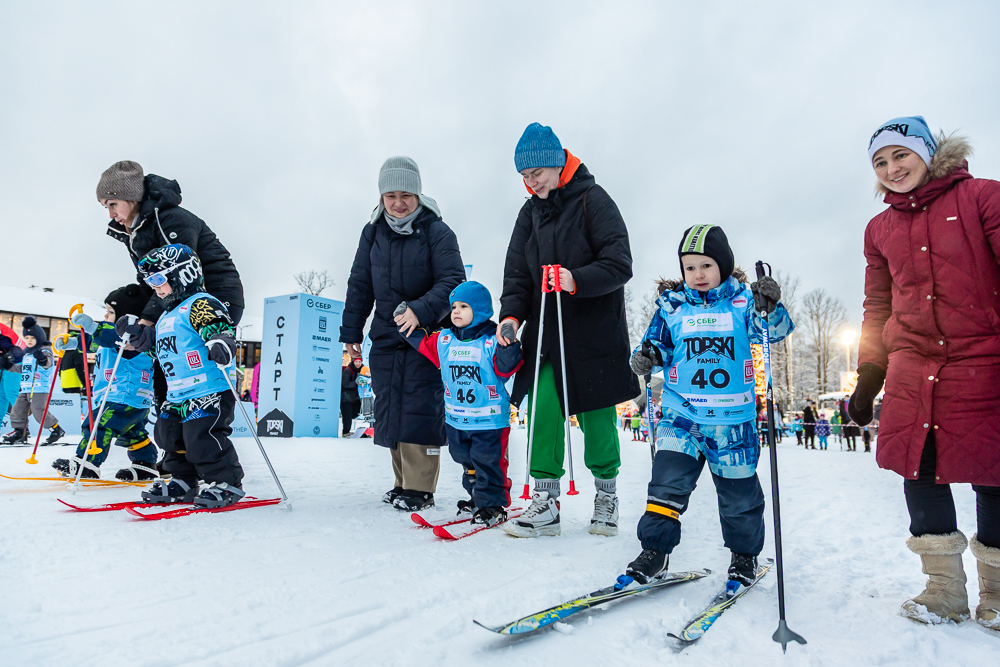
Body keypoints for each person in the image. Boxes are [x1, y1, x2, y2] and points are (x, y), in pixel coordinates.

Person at [849, 116, 1000, 629]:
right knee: (919, 470)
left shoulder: (983, 197)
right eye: (880, 162)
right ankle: (943, 589)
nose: (892, 168)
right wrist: (871, 370)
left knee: (994, 474)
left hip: (983, 358)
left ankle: (997, 591)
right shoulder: (880, 229)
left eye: (900, 155)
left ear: (928, 153)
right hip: (912, 365)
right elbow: (878, 303)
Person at [623, 225, 794, 590]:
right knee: (665, 486)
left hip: (732, 423)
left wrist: (770, 306)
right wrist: (647, 357)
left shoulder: (743, 302)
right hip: (681, 416)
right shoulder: (672, 305)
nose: (697, 275)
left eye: (706, 266)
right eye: (690, 268)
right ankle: (655, 550)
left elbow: (776, 332)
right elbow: (656, 346)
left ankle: (743, 556)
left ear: (724, 266)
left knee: (738, 497)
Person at [499, 123, 639, 538]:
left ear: (557, 162)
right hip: (545, 335)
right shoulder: (529, 213)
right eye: (524, 176)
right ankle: (545, 501)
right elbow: (517, 275)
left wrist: (575, 279)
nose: (531, 182)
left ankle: (606, 495)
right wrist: (511, 316)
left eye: (536, 173)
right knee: (542, 409)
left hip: (594, 333)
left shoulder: (593, 200)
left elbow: (619, 262)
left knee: (597, 417)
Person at [340, 157, 466, 512]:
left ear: (418, 194)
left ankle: (420, 487)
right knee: (392, 406)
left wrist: (420, 310)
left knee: (420, 406)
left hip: (426, 335)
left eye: (406, 194)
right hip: (385, 335)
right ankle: (401, 482)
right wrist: (351, 330)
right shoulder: (373, 232)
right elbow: (360, 283)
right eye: (390, 195)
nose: (398, 203)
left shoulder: (438, 232)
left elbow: (454, 282)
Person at [121, 244, 245, 508]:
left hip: (209, 387)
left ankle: (227, 481)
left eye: (158, 279)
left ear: (182, 274)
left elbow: (220, 326)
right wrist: (139, 339)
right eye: (149, 281)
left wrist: (220, 341)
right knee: (168, 435)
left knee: (202, 436)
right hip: (177, 391)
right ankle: (183, 481)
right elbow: (163, 348)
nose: (155, 287)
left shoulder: (200, 303)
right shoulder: (166, 315)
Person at [400, 281, 523, 527]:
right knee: (465, 460)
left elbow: (507, 368)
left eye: (463, 306)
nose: (455, 311)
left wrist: (509, 346)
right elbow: (424, 343)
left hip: (488, 421)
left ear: (480, 310)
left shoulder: (491, 341)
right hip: (456, 419)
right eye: (454, 306)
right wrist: (406, 326)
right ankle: (477, 497)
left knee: (487, 462)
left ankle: (492, 505)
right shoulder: (445, 340)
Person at [97, 161, 245, 326]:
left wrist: (147, 320)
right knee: (147, 342)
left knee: (185, 347)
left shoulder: (170, 220)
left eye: (113, 204)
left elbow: (176, 273)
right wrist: (125, 315)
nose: (111, 214)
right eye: (106, 207)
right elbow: (148, 284)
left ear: (132, 197)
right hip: (180, 300)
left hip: (215, 295)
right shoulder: (135, 233)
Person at [51, 285, 158, 481]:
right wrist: (73, 343)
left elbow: (111, 336)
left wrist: (93, 327)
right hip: (129, 398)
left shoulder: (132, 338)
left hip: (122, 395)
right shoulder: (110, 337)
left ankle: (87, 463)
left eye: (110, 312)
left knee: (97, 426)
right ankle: (145, 464)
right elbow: (97, 340)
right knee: (132, 433)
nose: (106, 316)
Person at [3, 317, 65, 444]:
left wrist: (42, 359)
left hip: (39, 388)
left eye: (32, 338)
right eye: (26, 338)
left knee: (38, 410)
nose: (29, 341)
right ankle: (20, 432)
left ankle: (56, 429)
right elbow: (23, 368)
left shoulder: (44, 350)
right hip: (26, 387)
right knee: (17, 409)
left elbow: (48, 364)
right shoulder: (26, 353)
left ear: (39, 337)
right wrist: (7, 366)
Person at [0, 323, 25, 424]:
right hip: (6, 360)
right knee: (1, 395)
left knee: (10, 392)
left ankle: (21, 427)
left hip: (15, 360)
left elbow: (17, 345)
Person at [341, 356, 364, 436]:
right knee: (347, 416)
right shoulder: (348, 370)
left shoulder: (363, 371)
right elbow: (345, 383)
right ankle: (345, 432)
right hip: (347, 398)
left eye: (359, 362)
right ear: (353, 362)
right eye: (356, 362)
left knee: (356, 413)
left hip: (357, 398)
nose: (358, 364)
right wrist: (356, 384)